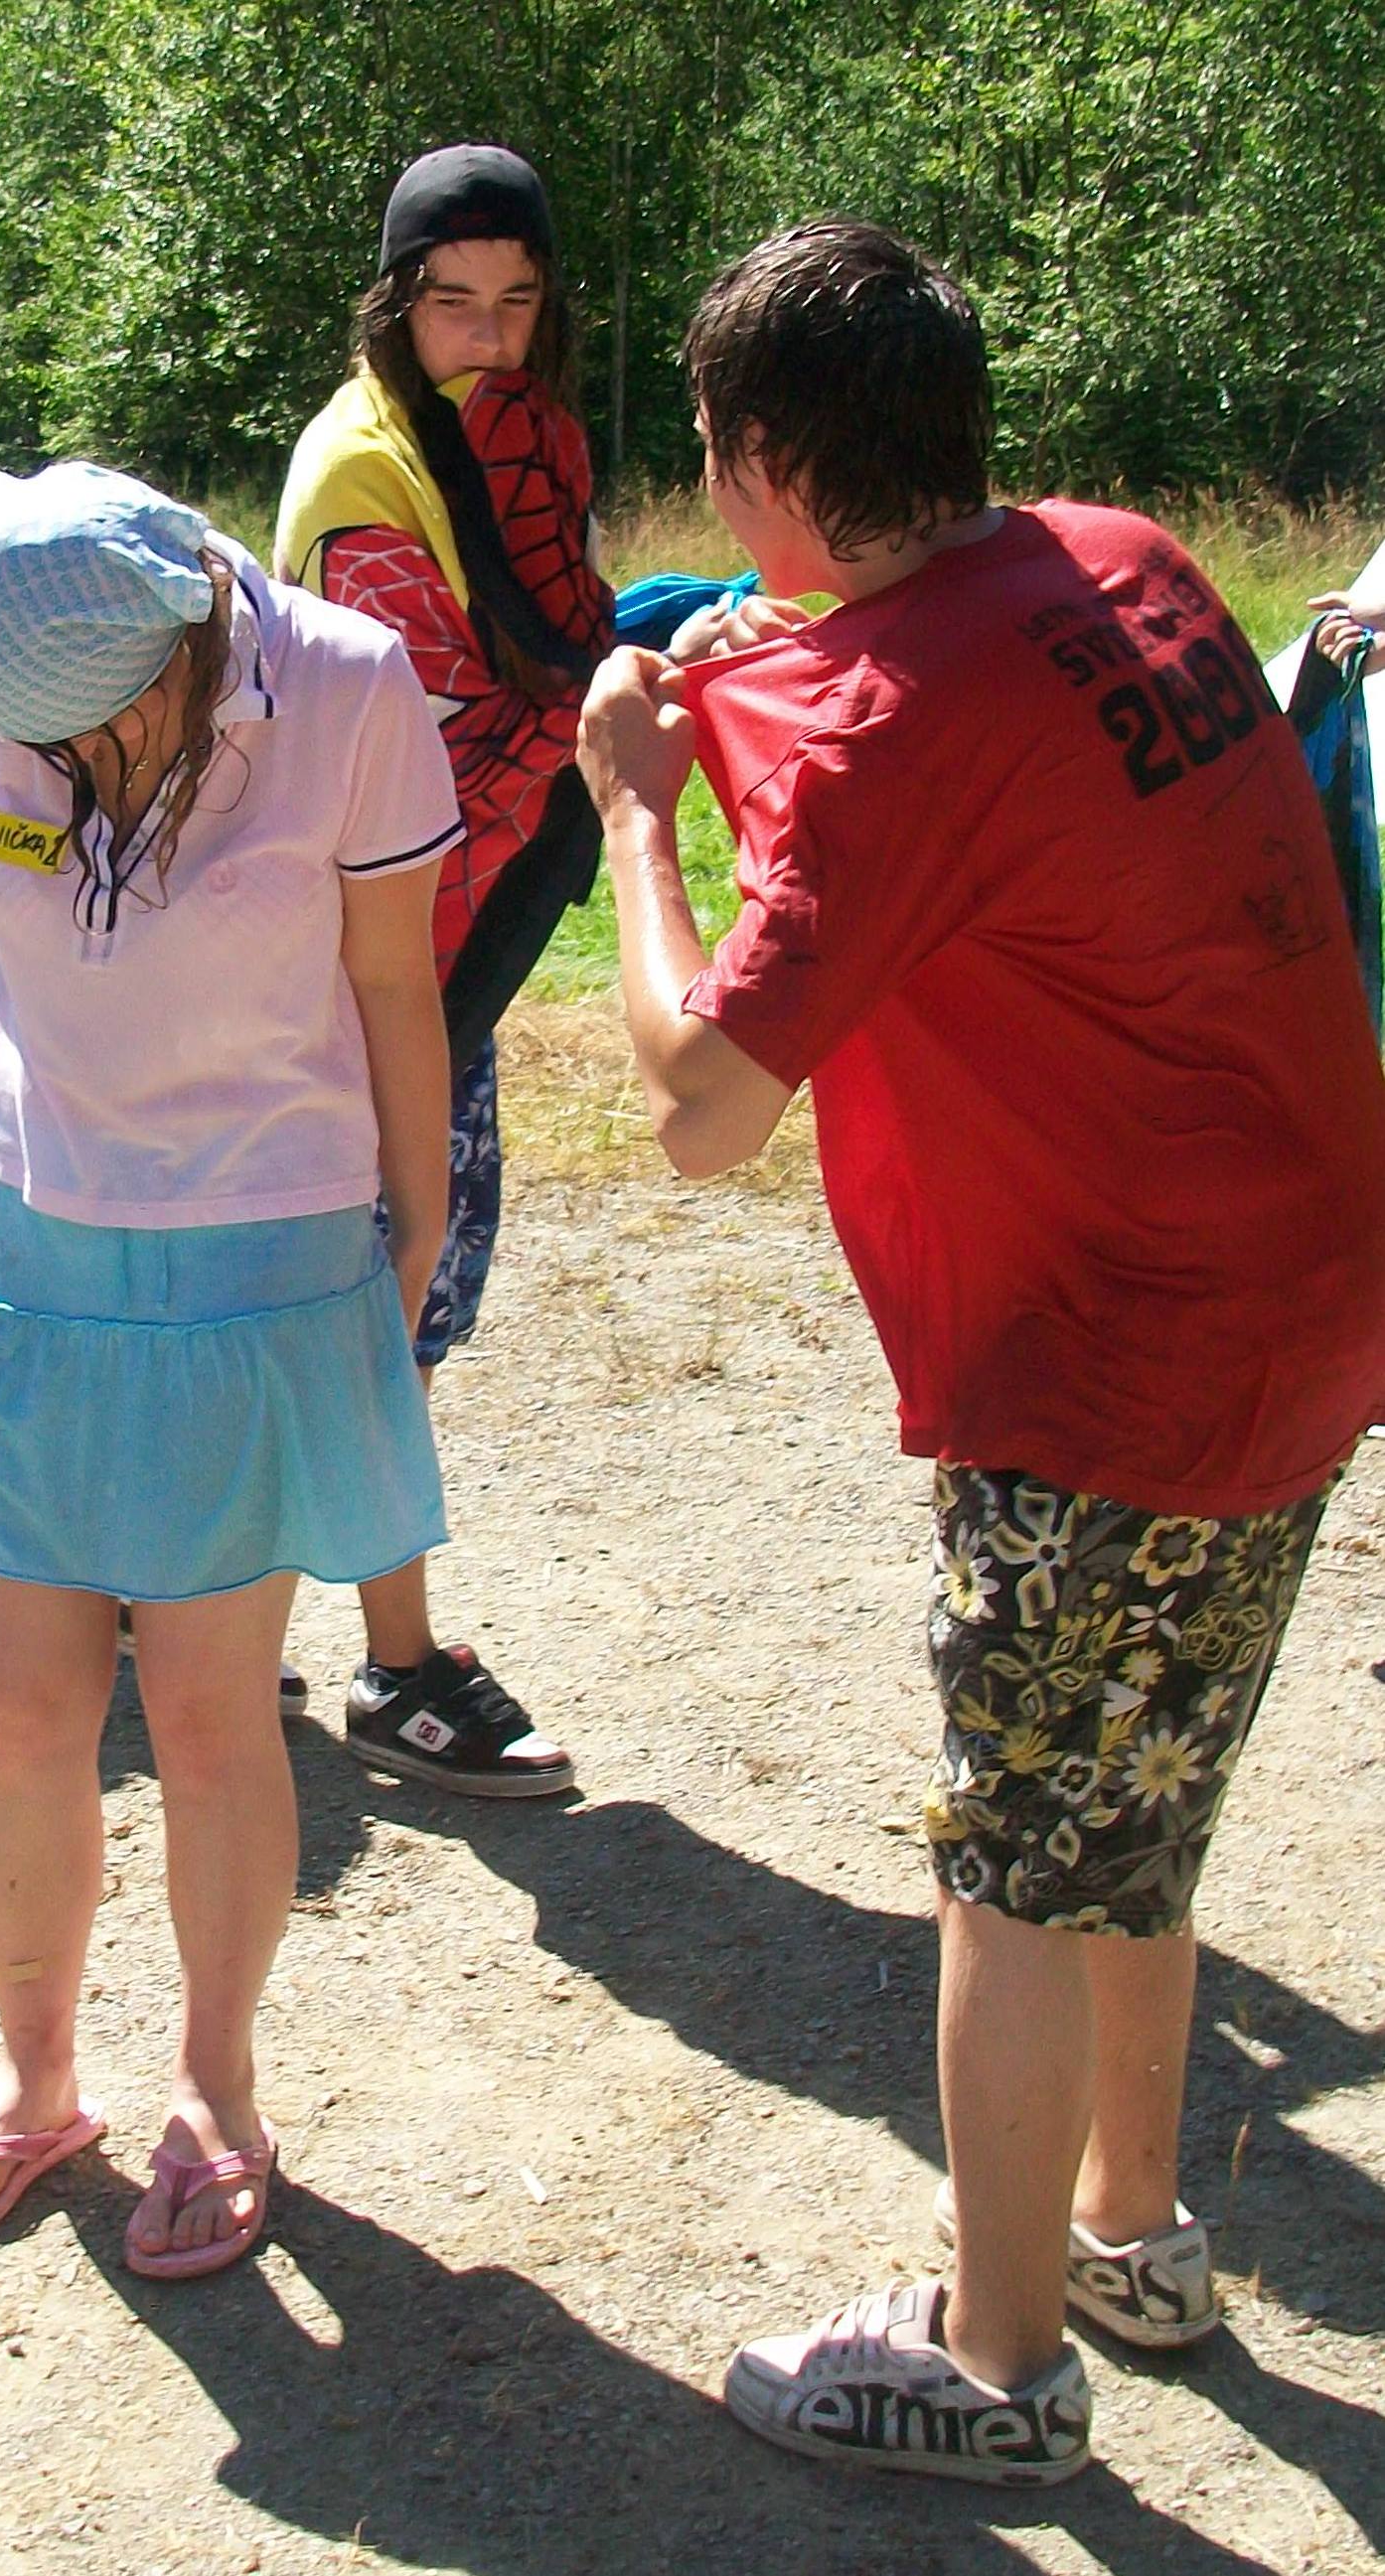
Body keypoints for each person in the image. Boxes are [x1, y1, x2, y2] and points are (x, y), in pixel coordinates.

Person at [575, 222, 1385, 2485]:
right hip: (1308, 1303)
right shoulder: (1126, 558)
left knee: (1014, 1857)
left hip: (1111, 1366)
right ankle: (1130, 2230)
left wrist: (634, 803)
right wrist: (765, 663)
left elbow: (703, 1108)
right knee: (1141, 1795)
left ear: (761, 457)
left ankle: (1002, 2363)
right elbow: (961, 717)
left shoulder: (878, 725)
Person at [0, 462, 454, 2270]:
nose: (64, 755)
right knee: (24, 1710)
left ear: (195, 629)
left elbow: (393, 981)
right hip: (23, 1251)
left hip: (257, 1255)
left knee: (210, 1720)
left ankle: (218, 2089)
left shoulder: (348, 682)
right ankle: (33, 2078)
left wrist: (418, 1220)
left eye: (104, 720)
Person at [275, 144, 614, 1798]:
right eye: (451, 302)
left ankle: (178, 1596)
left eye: (516, 302)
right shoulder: (372, 480)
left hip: (418, 957)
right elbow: (436, 754)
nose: (485, 335)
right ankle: (398, 1669)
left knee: (355, 1289)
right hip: (362, 973)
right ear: (395, 305)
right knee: (382, 1295)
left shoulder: (492, 445)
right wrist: (621, 707)